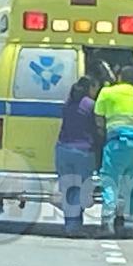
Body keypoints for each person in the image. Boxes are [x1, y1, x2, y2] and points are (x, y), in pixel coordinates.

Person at [94, 64, 133, 238]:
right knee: (131, 185)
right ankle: (130, 226)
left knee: (110, 182)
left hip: (117, 143)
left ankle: (107, 224)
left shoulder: (107, 92)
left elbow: (98, 118)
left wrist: (103, 134)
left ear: (119, 77)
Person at [55, 75, 102, 237]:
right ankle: (74, 226)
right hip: (83, 152)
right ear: (90, 88)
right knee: (80, 190)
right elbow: (97, 128)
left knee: (69, 189)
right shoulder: (91, 105)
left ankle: (70, 223)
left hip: (63, 150)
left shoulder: (68, 104)